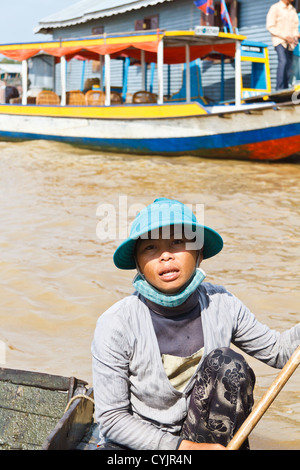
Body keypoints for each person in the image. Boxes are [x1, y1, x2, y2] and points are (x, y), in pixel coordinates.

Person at [92, 198, 300, 450]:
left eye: (177, 243)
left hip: (204, 437)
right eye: (150, 247)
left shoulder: (223, 304)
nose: (165, 255)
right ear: (138, 263)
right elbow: (112, 419)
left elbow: (280, 353)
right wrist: (184, 449)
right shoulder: (116, 323)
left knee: (228, 363)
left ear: (199, 253)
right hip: (139, 444)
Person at [266, 0, 300, 90]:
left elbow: (295, 26)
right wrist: (285, 36)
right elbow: (270, 26)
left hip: (291, 43)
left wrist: (295, 36)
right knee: (283, 62)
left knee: (289, 65)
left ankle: (285, 88)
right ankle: (279, 88)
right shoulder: (275, 8)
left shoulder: (292, 10)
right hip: (279, 41)